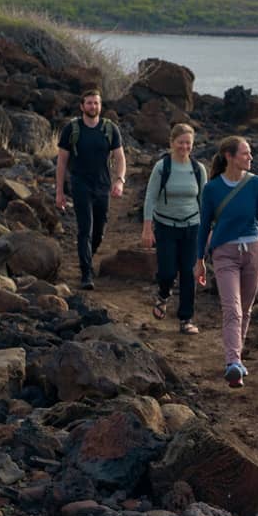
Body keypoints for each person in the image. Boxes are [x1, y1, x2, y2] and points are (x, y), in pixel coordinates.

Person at [197, 135, 258, 388]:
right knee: (233, 309)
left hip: (254, 249)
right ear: (229, 156)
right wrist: (199, 259)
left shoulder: (257, 183)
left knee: (247, 309)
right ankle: (232, 362)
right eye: (245, 153)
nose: (250, 157)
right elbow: (204, 225)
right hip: (224, 252)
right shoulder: (212, 189)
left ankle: (236, 358)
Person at [55, 89, 125, 290]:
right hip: (80, 185)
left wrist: (119, 180)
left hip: (102, 185)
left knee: (99, 231)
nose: (93, 106)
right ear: (82, 106)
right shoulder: (72, 129)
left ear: (100, 106)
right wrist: (59, 192)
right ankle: (86, 273)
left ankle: (87, 257)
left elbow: (120, 158)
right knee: (85, 228)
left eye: (96, 103)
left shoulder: (110, 129)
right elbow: (61, 162)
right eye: (89, 103)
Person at [141, 123, 208, 335]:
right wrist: (147, 228)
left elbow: (204, 202)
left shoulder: (198, 169)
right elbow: (150, 197)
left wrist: (208, 230)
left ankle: (186, 319)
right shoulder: (162, 167)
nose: (184, 146)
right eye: (181, 142)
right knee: (168, 271)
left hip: (192, 227)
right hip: (165, 226)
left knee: (189, 273)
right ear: (172, 143)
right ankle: (163, 295)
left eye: (188, 143)